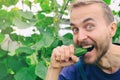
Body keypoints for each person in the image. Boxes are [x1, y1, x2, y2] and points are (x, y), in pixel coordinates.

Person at [45, 0, 120, 80]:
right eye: (75, 29)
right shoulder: (73, 72)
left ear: (111, 29)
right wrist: (54, 68)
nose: (80, 38)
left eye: (89, 26)